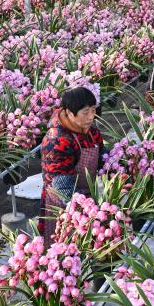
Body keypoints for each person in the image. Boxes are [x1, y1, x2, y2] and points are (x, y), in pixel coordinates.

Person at [40, 87, 103, 246]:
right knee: (63, 247)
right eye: (85, 112)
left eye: (93, 110)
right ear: (69, 112)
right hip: (63, 204)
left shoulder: (90, 131)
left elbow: (102, 156)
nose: (91, 116)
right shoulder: (57, 141)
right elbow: (63, 187)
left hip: (86, 197)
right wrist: (86, 212)